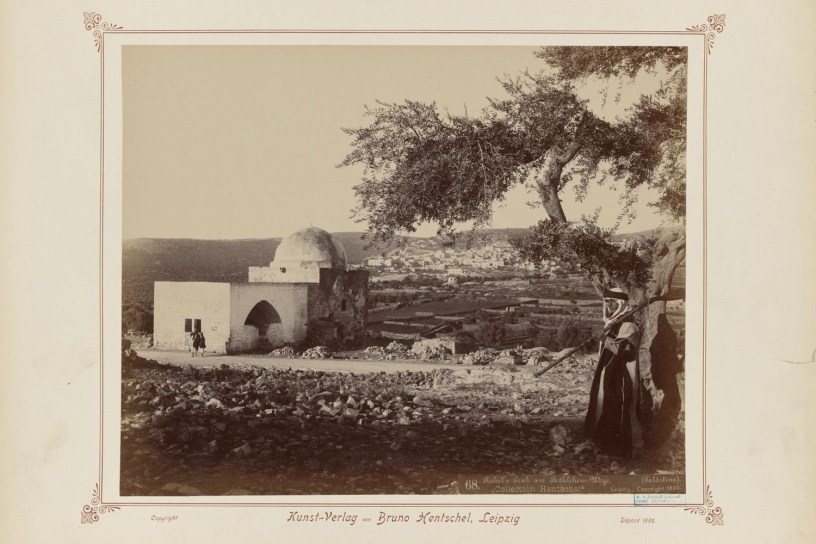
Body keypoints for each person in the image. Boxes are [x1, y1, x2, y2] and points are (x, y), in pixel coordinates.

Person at [584, 287, 644, 457]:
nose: (608, 305)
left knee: (620, 404)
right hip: (607, 371)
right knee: (603, 401)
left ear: (620, 304)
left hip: (623, 374)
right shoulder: (612, 324)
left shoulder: (629, 326)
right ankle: (602, 442)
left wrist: (606, 339)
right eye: (606, 302)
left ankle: (622, 447)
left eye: (611, 302)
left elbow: (627, 351)